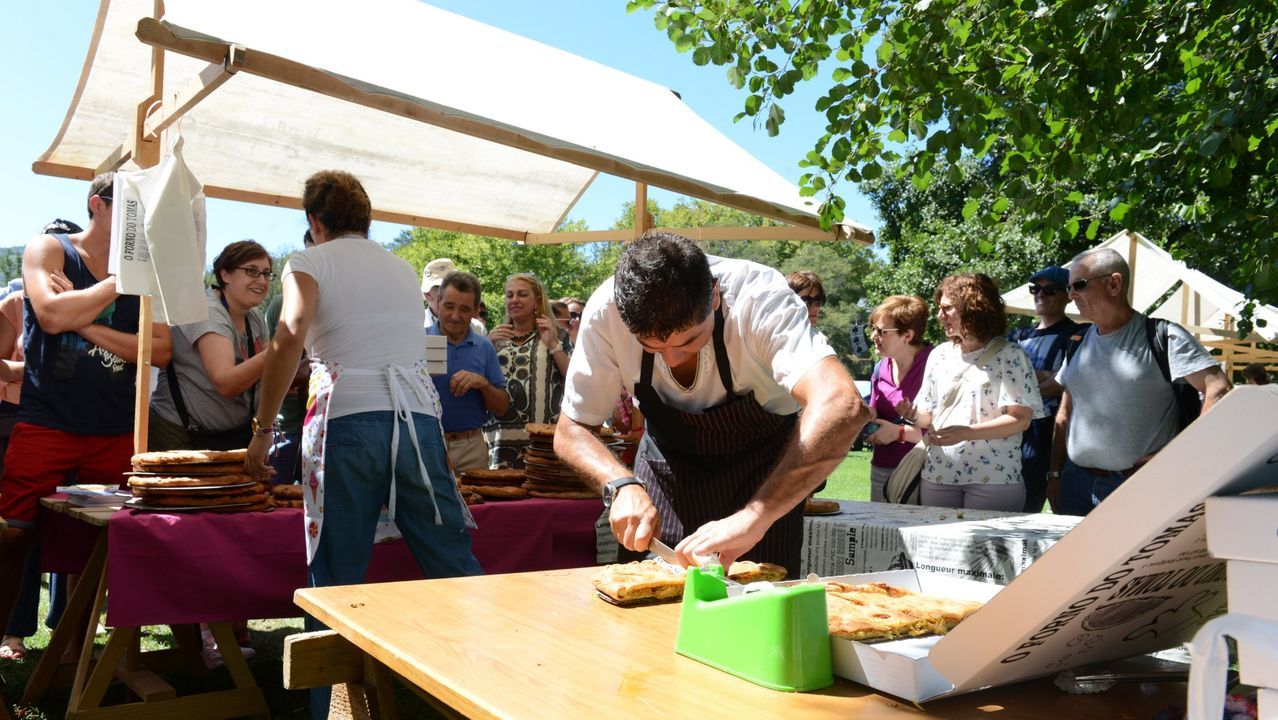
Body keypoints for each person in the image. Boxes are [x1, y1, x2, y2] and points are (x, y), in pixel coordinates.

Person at [242, 170, 481, 719]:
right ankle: (497, 687)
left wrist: (261, 430)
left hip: (350, 419)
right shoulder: (400, 269)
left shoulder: (308, 261)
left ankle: (331, 710)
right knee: (450, 559)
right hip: (418, 420)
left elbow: (289, 334)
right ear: (367, 220)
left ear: (314, 222)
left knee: (336, 572)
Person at [554, 232, 865, 574]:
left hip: (763, 481)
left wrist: (756, 516)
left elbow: (841, 404)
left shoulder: (759, 297)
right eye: (652, 346)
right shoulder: (604, 312)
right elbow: (572, 430)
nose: (671, 360)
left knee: (757, 615)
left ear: (714, 294)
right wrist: (619, 483)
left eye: (689, 341)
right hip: (665, 476)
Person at [0, 173, 172, 659]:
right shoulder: (49, 249)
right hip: (46, 420)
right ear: (97, 204)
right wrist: (118, 283)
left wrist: (88, 317)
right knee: (14, 537)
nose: (142, 221)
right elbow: (51, 317)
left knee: (106, 543)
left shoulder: (148, 271)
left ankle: (76, 652)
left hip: (115, 430)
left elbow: (160, 350)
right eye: (130, 207)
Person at [1049, 248, 1232, 515]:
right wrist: (1054, 474)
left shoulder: (1163, 336)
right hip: (1075, 484)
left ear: (1114, 283)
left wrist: (1177, 454)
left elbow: (1219, 388)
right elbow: (1064, 414)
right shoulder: (1077, 343)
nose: (1071, 295)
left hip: (1138, 486)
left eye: (1079, 285)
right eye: (1069, 288)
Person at [897, 273, 1044, 512]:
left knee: (987, 550)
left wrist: (966, 433)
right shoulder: (939, 355)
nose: (939, 316)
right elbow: (927, 417)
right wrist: (912, 415)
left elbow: (1021, 419)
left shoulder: (1011, 355)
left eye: (947, 309)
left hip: (994, 478)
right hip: (938, 475)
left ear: (973, 308)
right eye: (939, 308)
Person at [149, 240, 271, 452]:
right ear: (225, 275)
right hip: (181, 433)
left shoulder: (254, 316)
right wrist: (278, 352)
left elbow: (264, 377)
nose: (261, 280)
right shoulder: (207, 310)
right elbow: (225, 382)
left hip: (230, 436)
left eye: (267, 273)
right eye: (252, 271)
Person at [1008, 266, 1087, 513]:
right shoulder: (1017, 335)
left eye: (1050, 289)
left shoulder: (1079, 334)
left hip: (1055, 437)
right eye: (1035, 289)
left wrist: (1026, 378)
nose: (1041, 295)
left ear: (1067, 294)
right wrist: (1045, 375)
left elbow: (1065, 382)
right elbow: (1003, 380)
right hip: (1014, 436)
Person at [484, 273, 571, 468]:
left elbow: (573, 377)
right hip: (500, 439)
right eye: (509, 295)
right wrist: (486, 345)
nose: (514, 300)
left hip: (543, 439)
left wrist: (553, 344)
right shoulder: (494, 337)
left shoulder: (558, 335)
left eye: (522, 294)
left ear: (537, 301)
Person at [426, 271, 508, 472]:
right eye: (449, 306)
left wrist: (482, 383)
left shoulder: (484, 346)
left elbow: (502, 407)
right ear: (438, 301)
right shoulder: (418, 340)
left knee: (476, 503)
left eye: (464, 309)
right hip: (427, 443)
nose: (455, 316)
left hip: (472, 447)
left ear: (475, 310)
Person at [861, 295, 933, 503]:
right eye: (873, 328)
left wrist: (899, 433)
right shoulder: (879, 367)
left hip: (925, 471)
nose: (874, 335)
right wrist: (862, 415)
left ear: (907, 335)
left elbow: (947, 430)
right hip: (881, 468)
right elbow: (874, 413)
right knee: (878, 534)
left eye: (882, 331)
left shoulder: (936, 365)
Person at [264, 230, 316, 483]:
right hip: (285, 426)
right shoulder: (280, 304)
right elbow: (268, 357)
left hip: (323, 426)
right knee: (275, 498)